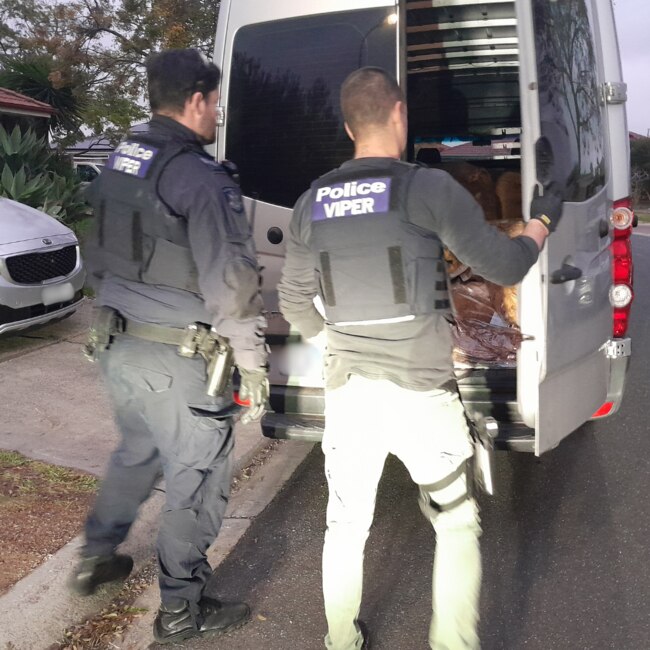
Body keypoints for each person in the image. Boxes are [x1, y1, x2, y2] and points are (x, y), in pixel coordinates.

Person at [277, 67, 562, 650]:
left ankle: (340, 640)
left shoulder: (312, 201)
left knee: (345, 523)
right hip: (420, 390)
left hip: (349, 389)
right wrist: (540, 221)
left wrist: (335, 341)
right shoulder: (426, 188)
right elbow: (506, 266)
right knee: (454, 521)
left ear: (347, 125)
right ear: (399, 114)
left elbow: (293, 302)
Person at [69, 49, 269, 645]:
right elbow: (230, 284)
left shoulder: (119, 161)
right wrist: (254, 364)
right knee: (197, 478)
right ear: (199, 100)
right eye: (215, 101)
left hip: (116, 342)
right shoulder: (200, 177)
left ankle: (97, 554)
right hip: (179, 359)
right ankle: (182, 610)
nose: (217, 113)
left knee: (136, 451)